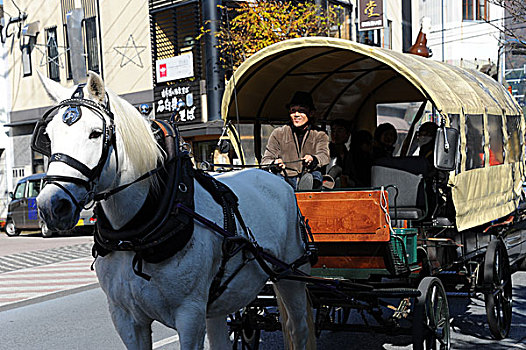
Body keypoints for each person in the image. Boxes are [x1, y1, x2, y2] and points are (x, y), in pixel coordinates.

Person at [261, 91, 330, 190]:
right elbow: (266, 160)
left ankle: (307, 191)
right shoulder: (278, 133)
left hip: (309, 175)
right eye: (293, 111)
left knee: (315, 176)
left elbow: (324, 156)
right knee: (275, 180)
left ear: (311, 113)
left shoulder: (320, 134)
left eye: (301, 111)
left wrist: (313, 159)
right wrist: (274, 163)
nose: (296, 114)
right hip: (285, 177)